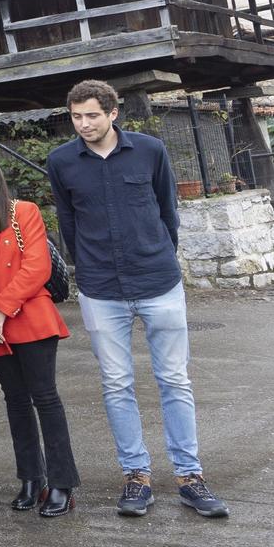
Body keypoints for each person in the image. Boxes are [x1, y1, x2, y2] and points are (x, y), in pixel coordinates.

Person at [47, 79, 229, 520]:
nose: (84, 124)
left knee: (174, 379)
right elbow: (68, 223)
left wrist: (159, 254)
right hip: (100, 289)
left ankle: (190, 477)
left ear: (113, 114)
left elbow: (168, 212)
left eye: (92, 115)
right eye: (76, 117)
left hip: (158, 281)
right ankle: (136, 477)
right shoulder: (62, 161)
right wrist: (86, 268)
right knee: (116, 383)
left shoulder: (150, 151)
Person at [0, 157, 79, 519]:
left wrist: (1, 309)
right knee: (15, 402)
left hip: (29, 318)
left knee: (45, 399)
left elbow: (37, 266)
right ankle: (31, 478)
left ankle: (61, 483)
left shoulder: (21, 211)